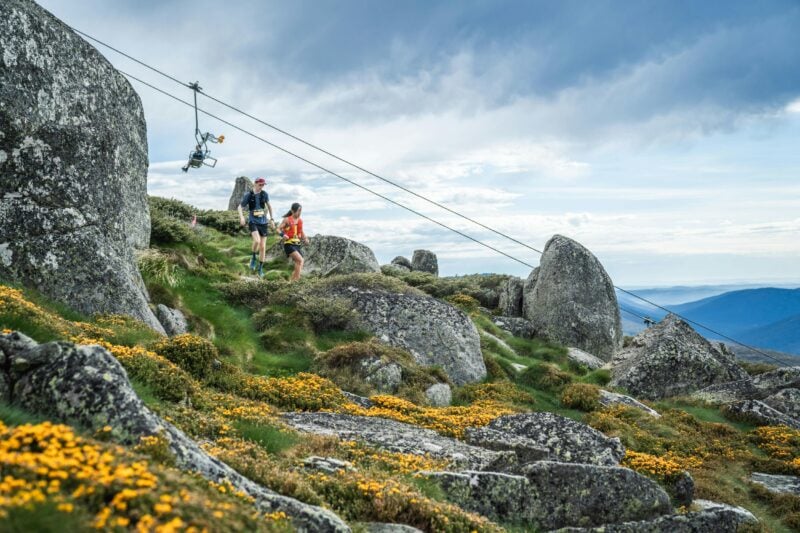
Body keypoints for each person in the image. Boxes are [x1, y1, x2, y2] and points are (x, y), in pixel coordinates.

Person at [238, 177, 274, 277]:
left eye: (263, 185)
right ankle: (253, 258)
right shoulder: (249, 195)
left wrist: (271, 219)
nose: (261, 187)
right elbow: (240, 207)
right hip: (253, 221)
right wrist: (242, 218)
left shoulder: (264, 194)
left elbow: (269, 206)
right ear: (255, 183)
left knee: (263, 247)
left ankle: (260, 269)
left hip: (263, 222)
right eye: (260, 185)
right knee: (257, 241)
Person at [278, 202, 309, 281]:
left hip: (297, 244)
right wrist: (283, 235)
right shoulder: (287, 220)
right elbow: (278, 229)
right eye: (298, 211)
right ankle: (296, 282)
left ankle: (291, 281)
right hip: (289, 244)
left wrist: (305, 238)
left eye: (300, 211)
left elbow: (301, 231)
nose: (299, 213)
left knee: (300, 263)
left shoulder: (300, 221)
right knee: (300, 260)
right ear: (292, 211)